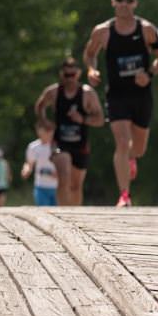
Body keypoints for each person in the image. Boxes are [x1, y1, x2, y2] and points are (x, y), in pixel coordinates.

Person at [84, 0, 158, 207]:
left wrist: (150, 73)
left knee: (138, 148)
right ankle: (124, 195)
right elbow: (90, 54)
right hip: (116, 95)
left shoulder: (147, 29)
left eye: (129, 0)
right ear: (113, 2)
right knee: (122, 142)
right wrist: (91, 70)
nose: (124, 4)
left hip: (141, 95)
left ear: (135, 3)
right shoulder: (102, 31)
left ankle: (132, 159)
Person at [33, 57, 105, 205]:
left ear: (79, 74)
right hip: (60, 143)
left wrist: (83, 119)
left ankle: (75, 215)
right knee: (64, 179)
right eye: (66, 75)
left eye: (73, 75)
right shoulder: (54, 92)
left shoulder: (87, 93)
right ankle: (63, 214)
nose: (70, 78)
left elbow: (100, 120)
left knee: (75, 185)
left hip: (80, 145)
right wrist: (44, 121)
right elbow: (40, 105)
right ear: (61, 74)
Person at [22, 122, 60, 206]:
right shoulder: (33, 147)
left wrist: (60, 174)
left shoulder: (58, 146)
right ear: (38, 131)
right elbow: (29, 163)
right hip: (41, 186)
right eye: (45, 130)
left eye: (50, 130)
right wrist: (26, 170)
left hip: (57, 188)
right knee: (44, 212)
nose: (48, 133)